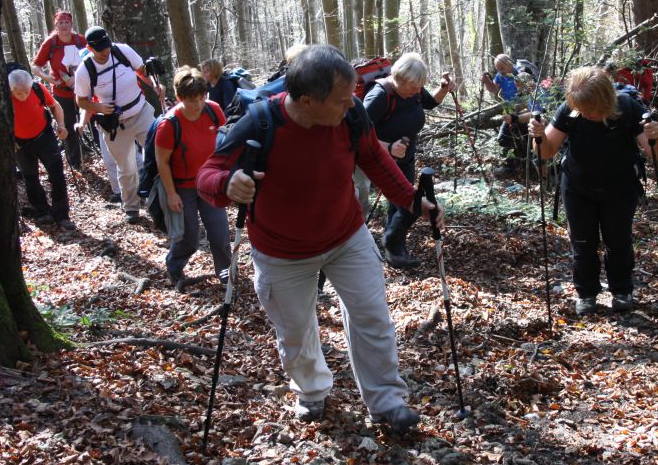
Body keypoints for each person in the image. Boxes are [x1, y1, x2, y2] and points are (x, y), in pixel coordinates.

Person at [197, 44, 442, 432]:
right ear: (307, 101)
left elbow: (374, 159)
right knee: (295, 329)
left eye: (351, 99)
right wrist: (229, 183)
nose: (350, 106)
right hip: (281, 251)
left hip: (346, 235)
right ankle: (310, 391)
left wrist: (411, 201)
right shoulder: (261, 122)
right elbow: (207, 176)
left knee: (372, 315)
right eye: (341, 101)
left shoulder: (351, 113)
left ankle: (386, 401)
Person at [528, 66, 658, 315]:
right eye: (580, 108)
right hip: (577, 187)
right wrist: (537, 136)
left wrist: (657, 136)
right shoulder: (570, 111)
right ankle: (586, 293)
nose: (585, 113)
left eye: (589, 109)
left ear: (605, 100)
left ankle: (622, 290)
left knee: (619, 241)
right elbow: (546, 151)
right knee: (582, 242)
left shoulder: (628, 108)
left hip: (620, 186)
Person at [362, 53, 455, 268]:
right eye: (414, 86)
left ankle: (396, 251)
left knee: (400, 207)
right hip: (381, 162)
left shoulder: (413, 90)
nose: (417, 91)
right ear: (400, 78)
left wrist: (443, 89)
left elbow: (430, 103)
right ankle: (392, 242)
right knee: (409, 203)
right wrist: (388, 147)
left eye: (419, 86)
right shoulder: (379, 96)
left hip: (406, 158)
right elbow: (356, 133)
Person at [74, 26, 158, 223]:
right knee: (127, 167)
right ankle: (131, 207)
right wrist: (98, 107)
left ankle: (159, 199)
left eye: (107, 47)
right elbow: (81, 100)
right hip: (115, 125)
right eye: (100, 49)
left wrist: (155, 85)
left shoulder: (122, 51)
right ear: (90, 48)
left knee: (156, 155)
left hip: (141, 112)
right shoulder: (84, 71)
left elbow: (141, 71)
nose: (105, 52)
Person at [155, 67, 230, 285]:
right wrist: (171, 194)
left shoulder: (213, 111)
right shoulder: (169, 125)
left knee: (219, 233)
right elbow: (163, 161)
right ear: (179, 98)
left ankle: (225, 272)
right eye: (191, 100)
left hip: (210, 183)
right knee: (190, 238)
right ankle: (174, 266)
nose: (197, 105)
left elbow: (225, 143)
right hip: (183, 187)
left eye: (201, 98)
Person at [9, 68, 76, 231]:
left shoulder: (38, 89)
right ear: (11, 89)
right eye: (18, 93)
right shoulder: (3, 96)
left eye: (26, 91)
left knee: (57, 175)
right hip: (21, 144)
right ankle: (43, 211)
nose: (23, 95)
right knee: (30, 178)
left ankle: (62, 215)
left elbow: (55, 106)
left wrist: (61, 126)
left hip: (45, 137)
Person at [31, 10, 88, 171]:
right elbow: (35, 66)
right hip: (62, 92)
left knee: (91, 119)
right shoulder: (51, 43)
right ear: (56, 25)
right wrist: (47, 77)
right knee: (68, 125)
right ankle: (75, 161)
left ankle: (99, 153)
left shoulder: (80, 40)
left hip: (83, 89)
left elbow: (93, 58)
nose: (64, 25)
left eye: (66, 22)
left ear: (71, 24)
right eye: (60, 23)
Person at [481, 54, 532, 177]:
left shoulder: (521, 74)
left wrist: (519, 109)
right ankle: (510, 167)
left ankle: (524, 168)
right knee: (504, 138)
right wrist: (487, 81)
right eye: (498, 70)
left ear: (510, 64)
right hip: (509, 111)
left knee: (521, 138)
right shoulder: (500, 76)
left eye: (502, 69)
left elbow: (530, 96)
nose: (501, 72)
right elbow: (494, 90)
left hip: (524, 112)